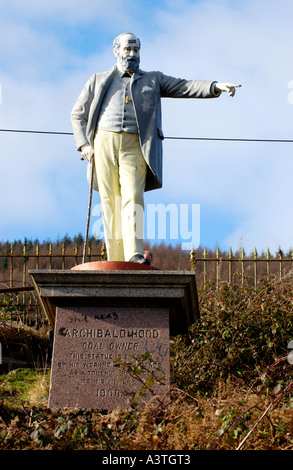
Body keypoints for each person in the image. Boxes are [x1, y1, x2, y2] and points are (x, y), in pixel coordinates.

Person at [71, 32, 240, 264]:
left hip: (135, 144)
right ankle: (116, 258)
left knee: (133, 196)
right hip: (104, 142)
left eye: (136, 50)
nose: (132, 54)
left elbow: (184, 86)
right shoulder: (98, 80)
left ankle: (134, 254)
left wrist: (214, 86)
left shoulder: (152, 79)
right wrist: (84, 145)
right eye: (127, 49)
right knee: (110, 200)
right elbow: (78, 114)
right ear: (116, 50)